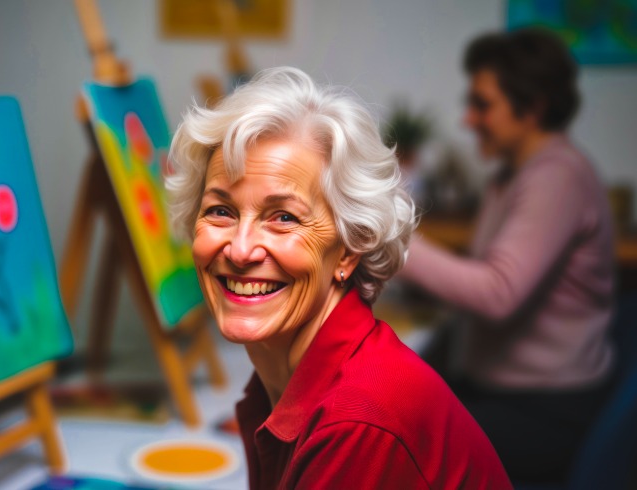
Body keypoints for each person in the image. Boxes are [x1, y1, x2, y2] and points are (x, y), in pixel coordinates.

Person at [166, 67, 511, 489]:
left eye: (284, 217)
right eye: (220, 211)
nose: (240, 250)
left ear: (349, 248)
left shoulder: (356, 419)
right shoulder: (283, 377)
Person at [397, 29, 617, 484]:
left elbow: (498, 293)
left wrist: (388, 237)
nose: (468, 119)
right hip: (500, 389)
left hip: (545, 407)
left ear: (532, 107)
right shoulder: (511, 177)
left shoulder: (558, 176)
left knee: (394, 443)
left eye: (482, 105)